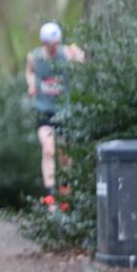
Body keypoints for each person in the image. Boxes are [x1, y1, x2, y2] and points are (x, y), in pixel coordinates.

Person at [24, 21, 85, 208]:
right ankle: (50, 195)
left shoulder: (66, 53)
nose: (54, 47)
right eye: (51, 44)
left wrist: (80, 58)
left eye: (57, 43)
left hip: (65, 111)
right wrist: (32, 84)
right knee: (48, 148)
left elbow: (82, 66)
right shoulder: (34, 57)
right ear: (44, 43)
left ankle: (65, 192)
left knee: (65, 155)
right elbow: (29, 72)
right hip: (44, 110)